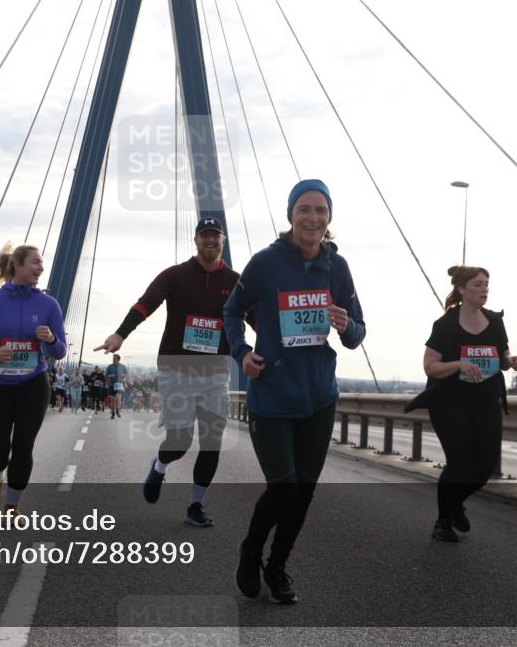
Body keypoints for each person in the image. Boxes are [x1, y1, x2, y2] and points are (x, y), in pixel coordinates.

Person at [224, 180, 365, 604]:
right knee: (283, 489)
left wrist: (346, 326)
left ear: (329, 217)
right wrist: (241, 353)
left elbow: (357, 334)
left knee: (303, 493)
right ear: (291, 215)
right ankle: (251, 550)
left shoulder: (337, 268)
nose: (313, 218)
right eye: (304, 209)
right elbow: (231, 311)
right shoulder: (265, 263)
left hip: (319, 399)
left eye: (321, 210)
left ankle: (277, 567)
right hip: (272, 396)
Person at [97, 216, 251, 527]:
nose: (210, 240)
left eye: (216, 235)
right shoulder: (175, 275)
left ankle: (195, 505)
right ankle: (159, 467)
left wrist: (277, 349)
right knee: (179, 441)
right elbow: (145, 304)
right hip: (177, 369)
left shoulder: (236, 282)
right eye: (205, 235)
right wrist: (120, 334)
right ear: (196, 240)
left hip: (215, 373)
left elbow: (256, 318)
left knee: (212, 441)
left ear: (223, 241)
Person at [406, 265, 517, 543]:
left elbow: (503, 355)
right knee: (459, 463)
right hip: (450, 403)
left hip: (486, 402)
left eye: (486, 284)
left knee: (485, 466)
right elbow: (430, 367)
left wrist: (511, 361)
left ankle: (455, 503)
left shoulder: (495, 321)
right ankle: (443, 522)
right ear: (461, 289)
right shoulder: (445, 325)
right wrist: (458, 364)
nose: (484, 289)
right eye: (478, 284)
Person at [0, 244, 67, 520]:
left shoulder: (49, 305)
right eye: (36, 262)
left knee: (24, 446)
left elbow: (60, 351)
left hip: (33, 384)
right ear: (18, 265)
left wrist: (51, 339)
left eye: (42, 263)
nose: (41, 268)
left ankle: (12, 506)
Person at [105, 354, 128, 419]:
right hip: (112, 384)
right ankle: (113, 413)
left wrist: (123, 375)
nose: (113, 360)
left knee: (118, 398)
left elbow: (126, 375)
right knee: (112, 400)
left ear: (118, 359)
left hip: (119, 384)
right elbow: (106, 375)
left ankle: (117, 410)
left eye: (114, 358)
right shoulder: (110, 366)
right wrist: (110, 376)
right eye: (113, 358)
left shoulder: (123, 366)